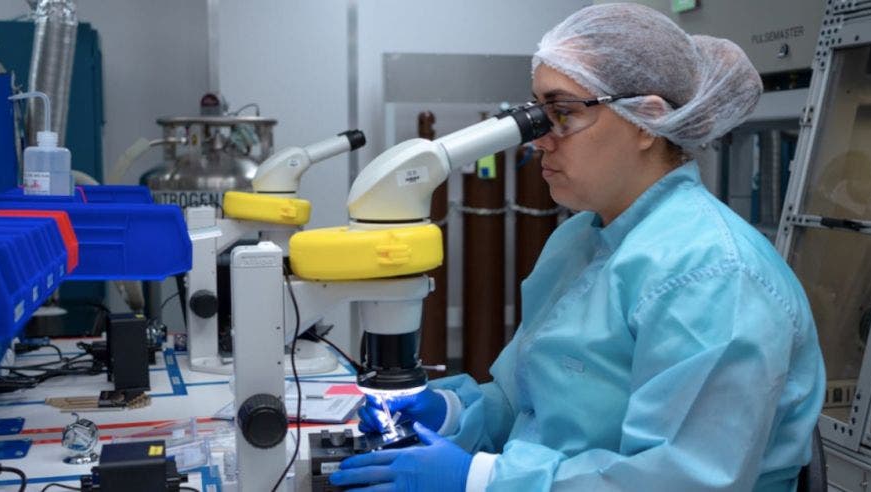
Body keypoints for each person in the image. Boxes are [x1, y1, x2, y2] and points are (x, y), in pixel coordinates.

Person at [330, 3, 826, 491]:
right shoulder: (580, 238)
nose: (539, 140)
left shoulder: (713, 274)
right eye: (538, 115)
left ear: (645, 122)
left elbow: (686, 479)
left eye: (562, 113)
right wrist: (451, 412)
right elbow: (530, 404)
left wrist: (478, 479)